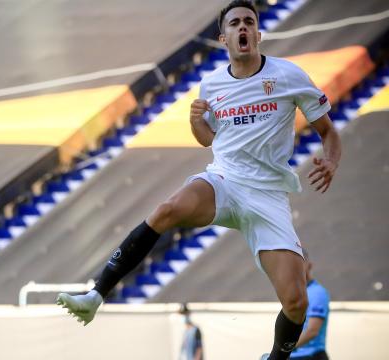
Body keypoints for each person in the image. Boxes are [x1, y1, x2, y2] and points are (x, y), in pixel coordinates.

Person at [56, 1, 341, 360]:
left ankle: (276, 358)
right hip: (226, 180)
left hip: (268, 195)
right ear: (224, 37)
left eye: (249, 22)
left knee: (296, 303)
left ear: (258, 33)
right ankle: (96, 294)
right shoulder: (211, 84)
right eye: (235, 23)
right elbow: (208, 139)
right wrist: (195, 122)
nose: (243, 28)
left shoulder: (288, 76)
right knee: (167, 209)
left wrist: (330, 161)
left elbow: (328, 132)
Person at [291, 248, 330, 360]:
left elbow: (312, 331)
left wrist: (284, 349)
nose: (296, 268)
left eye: (300, 263)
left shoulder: (317, 292)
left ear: (309, 265)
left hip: (311, 356)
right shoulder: (294, 293)